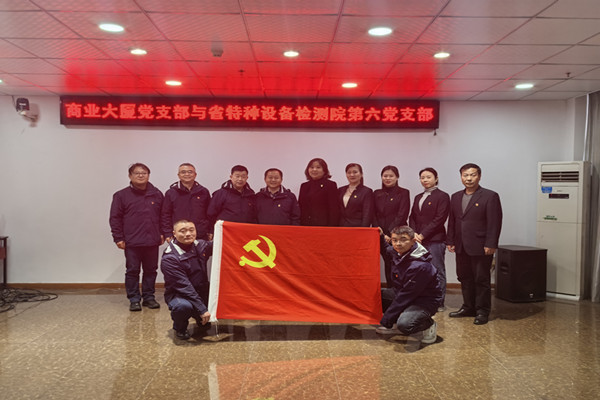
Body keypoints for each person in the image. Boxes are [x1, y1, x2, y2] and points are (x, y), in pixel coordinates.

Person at [447, 163, 502, 325]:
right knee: (464, 277)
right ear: (461, 177)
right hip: (461, 245)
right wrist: (450, 240)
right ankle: (468, 307)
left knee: (481, 279)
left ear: (479, 176)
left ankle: (482, 311)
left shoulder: (490, 196)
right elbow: (452, 220)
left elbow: (495, 222)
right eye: (465, 175)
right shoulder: (455, 196)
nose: (469, 178)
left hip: (481, 245)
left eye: (472, 175)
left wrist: (491, 243)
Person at [109, 163, 164, 311]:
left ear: (148, 175)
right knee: (132, 271)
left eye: (144, 173)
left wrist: (162, 233)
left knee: (151, 270)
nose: (141, 175)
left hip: (152, 241)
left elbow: (163, 216)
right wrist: (118, 238)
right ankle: (134, 299)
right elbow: (115, 218)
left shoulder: (157, 194)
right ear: (130, 176)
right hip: (132, 241)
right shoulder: (121, 195)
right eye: (137, 173)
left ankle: (149, 297)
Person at [375, 226, 442, 345]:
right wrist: (380, 236)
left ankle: (428, 324)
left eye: (403, 239)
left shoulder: (420, 266)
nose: (398, 244)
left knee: (405, 325)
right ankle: (396, 322)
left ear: (413, 241)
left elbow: (405, 296)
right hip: (404, 293)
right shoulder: (400, 252)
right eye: (394, 240)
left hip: (424, 301)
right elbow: (386, 250)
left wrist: (386, 320)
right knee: (375, 296)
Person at [161, 220, 212, 340]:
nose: (188, 234)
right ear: (174, 234)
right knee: (182, 307)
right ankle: (180, 328)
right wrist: (202, 309)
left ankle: (200, 317)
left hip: (201, 290)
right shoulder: (170, 258)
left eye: (191, 230)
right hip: (180, 294)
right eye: (182, 231)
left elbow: (223, 243)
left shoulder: (200, 245)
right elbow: (184, 287)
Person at [409, 167, 450, 311]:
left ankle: (439, 302)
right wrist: (414, 233)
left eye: (428, 177)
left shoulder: (443, 196)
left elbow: (440, 218)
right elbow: (412, 216)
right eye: (422, 177)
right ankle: (424, 300)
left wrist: (422, 234)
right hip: (418, 240)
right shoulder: (418, 197)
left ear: (436, 178)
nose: (425, 180)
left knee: (437, 271)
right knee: (421, 271)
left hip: (435, 240)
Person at [373, 165, 410, 284]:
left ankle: (400, 291)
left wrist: (390, 234)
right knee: (387, 262)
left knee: (398, 263)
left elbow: (402, 215)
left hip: (398, 235)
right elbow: (373, 214)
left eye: (391, 176)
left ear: (397, 177)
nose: (387, 178)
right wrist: (381, 233)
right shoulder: (377, 193)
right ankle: (390, 290)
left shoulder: (403, 192)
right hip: (380, 234)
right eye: (385, 176)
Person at [161, 163, 211, 241]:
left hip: (200, 234)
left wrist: (210, 230)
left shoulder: (203, 191)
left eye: (190, 172)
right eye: (183, 172)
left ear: (195, 175)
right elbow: (165, 215)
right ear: (178, 175)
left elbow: (210, 213)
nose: (187, 174)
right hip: (179, 235)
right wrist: (168, 233)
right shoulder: (171, 193)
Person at [299, 158, 339, 226]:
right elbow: (300, 206)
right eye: (312, 167)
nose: (314, 170)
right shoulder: (304, 186)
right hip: (306, 224)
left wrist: (332, 227)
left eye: (318, 167)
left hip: (324, 225)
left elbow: (334, 209)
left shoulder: (330, 185)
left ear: (324, 170)